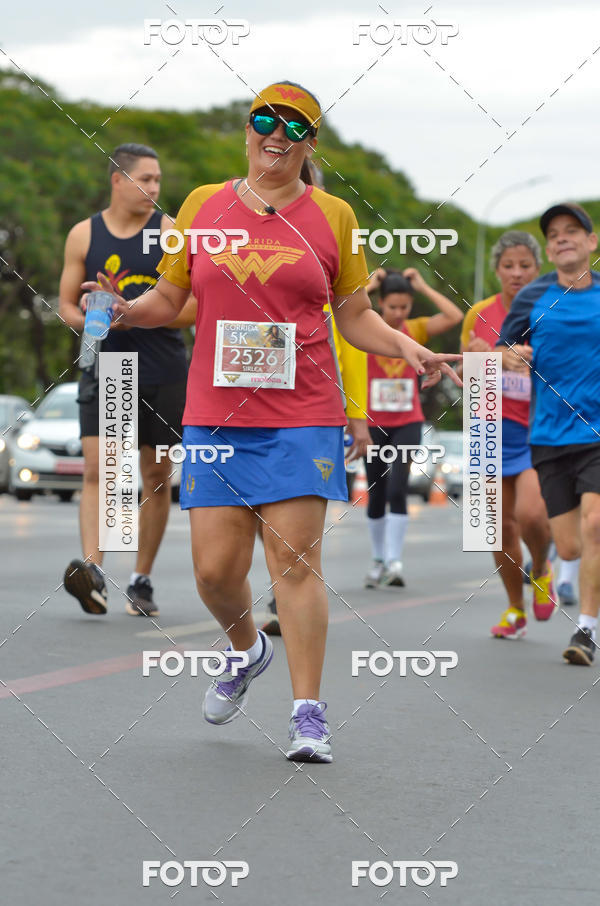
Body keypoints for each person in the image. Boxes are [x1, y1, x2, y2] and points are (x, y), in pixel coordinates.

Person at [84, 81, 461, 762]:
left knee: (294, 563)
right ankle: (245, 649)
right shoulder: (202, 205)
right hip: (216, 418)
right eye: (265, 119)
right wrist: (123, 308)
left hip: (302, 414)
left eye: (294, 125)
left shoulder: (334, 216)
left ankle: (308, 714)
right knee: (212, 574)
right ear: (249, 129)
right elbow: (171, 298)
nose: (276, 133)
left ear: (310, 143)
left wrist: (405, 344)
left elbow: (353, 314)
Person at [58, 143, 195, 617]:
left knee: (155, 477)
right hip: (105, 365)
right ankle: (92, 573)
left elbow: (194, 307)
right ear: (118, 180)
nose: (155, 189)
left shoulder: (170, 232)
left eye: (159, 180)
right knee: (101, 471)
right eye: (146, 179)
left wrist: (133, 313)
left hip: (162, 369)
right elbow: (66, 307)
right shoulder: (83, 235)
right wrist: (96, 315)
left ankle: (141, 579)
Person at [261, 160, 371, 636]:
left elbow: (353, 344)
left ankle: (281, 594)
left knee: (292, 537)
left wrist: (356, 414)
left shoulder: (329, 255)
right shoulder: (241, 242)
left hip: (308, 409)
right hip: (239, 411)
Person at [498, 203, 600, 665]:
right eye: (554, 234)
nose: (562, 239)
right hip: (549, 435)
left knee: (595, 526)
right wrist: (512, 355)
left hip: (595, 431)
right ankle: (552, 569)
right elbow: (502, 349)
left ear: (591, 242)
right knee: (572, 543)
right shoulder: (534, 297)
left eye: (572, 231)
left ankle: (587, 631)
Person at [461, 231, 555, 638]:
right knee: (496, 529)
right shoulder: (479, 312)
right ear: (497, 270)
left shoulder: (552, 309)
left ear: (538, 269)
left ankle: (544, 568)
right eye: (508, 266)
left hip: (537, 429)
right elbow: (465, 373)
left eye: (525, 266)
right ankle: (515, 610)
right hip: (489, 429)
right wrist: (486, 359)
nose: (517, 274)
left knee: (532, 514)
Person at [364, 268, 463, 587]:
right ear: (380, 303)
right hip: (372, 422)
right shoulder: (364, 330)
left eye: (404, 307)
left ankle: (394, 561)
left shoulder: (416, 330)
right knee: (376, 491)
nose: (398, 313)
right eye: (392, 307)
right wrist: (368, 284)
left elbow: (453, 314)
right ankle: (378, 560)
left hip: (407, 420)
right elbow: (334, 311)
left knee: (397, 488)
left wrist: (421, 286)